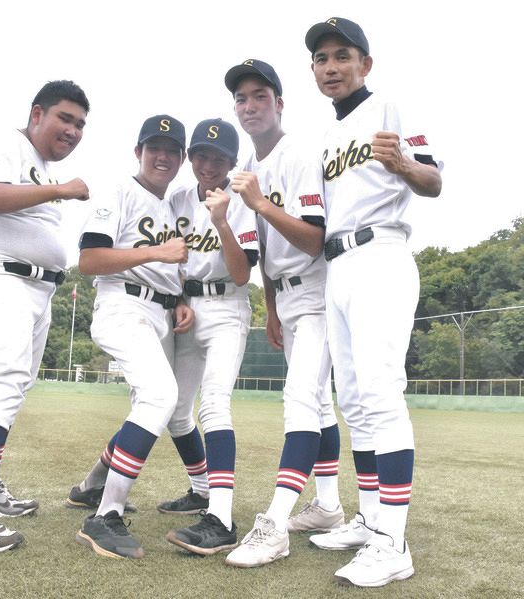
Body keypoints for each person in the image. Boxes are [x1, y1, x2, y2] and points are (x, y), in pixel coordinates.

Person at [304, 18, 442, 587]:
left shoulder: (390, 106)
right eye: (321, 58)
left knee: (382, 395)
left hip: (381, 254)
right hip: (338, 267)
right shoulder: (325, 135)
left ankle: (393, 542)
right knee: (355, 401)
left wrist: (404, 165)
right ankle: (370, 518)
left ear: (365, 63)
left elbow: (434, 180)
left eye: (342, 56)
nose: (331, 67)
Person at [0, 80, 91, 552]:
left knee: (14, 389)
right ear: (36, 114)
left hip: (35, 289)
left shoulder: (38, 162)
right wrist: (60, 189)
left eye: (80, 125)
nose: (73, 131)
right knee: (1, 385)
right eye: (65, 119)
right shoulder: (3, 143)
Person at [221, 59, 343, 568]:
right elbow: (261, 255)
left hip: (318, 290)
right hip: (287, 297)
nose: (249, 107)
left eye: (259, 96)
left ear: (279, 103)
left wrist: (262, 204)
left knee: (299, 400)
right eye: (241, 99)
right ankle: (330, 505)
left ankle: (274, 523)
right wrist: (270, 307)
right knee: (315, 405)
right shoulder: (252, 166)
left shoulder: (297, 153)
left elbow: (313, 239)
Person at [74, 114, 194, 559]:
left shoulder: (177, 204)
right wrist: (156, 252)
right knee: (161, 396)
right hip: (123, 304)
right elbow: (89, 259)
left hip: (161, 310)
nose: (161, 155)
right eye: (153, 147)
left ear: (181, 158)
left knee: (151, 405)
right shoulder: (119, 191)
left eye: (171, 149)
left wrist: (179, 296)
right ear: (138, 151)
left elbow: (170, 269)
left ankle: (91, 486)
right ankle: (105, 514)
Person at [160, 118, 259, 555]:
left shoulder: (241, 200)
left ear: (231, 162)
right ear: (190, 157)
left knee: (214, 404)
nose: (208, 164)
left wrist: (222, 222)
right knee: (176, 411)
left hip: (227, 307)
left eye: (218, 157)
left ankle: (220, 516)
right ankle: (200, 489)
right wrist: (179, 296)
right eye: (200, 154)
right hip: (187, 309)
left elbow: (242, 273)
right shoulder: (177, 198)